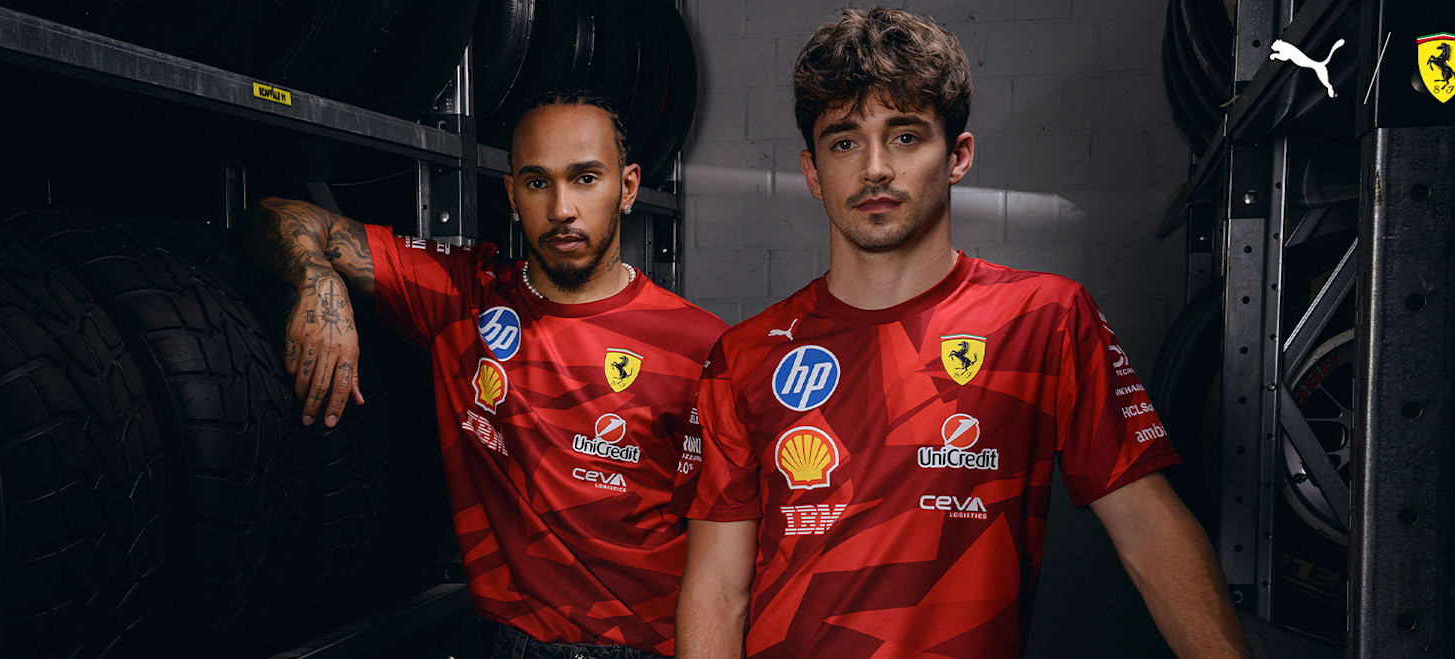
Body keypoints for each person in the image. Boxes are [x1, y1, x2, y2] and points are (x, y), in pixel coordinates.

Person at [672, 8, 1251, 658]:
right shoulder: (745, 355)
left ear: (958, 156)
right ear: (813, 173)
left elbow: (1148, 529)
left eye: (905, 136)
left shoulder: (1046, 319)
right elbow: (718, 589)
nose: (874, 169)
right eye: (843, 142)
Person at [244, 90, 726, 658]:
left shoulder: (703, 346)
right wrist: (318, 280)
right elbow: (275, 216)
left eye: (586, 179)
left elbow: (733, 549)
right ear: (512, 194)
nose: (562, 208)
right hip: (516, 644)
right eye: (538, 181)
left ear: (627, 188)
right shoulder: (464, 299)